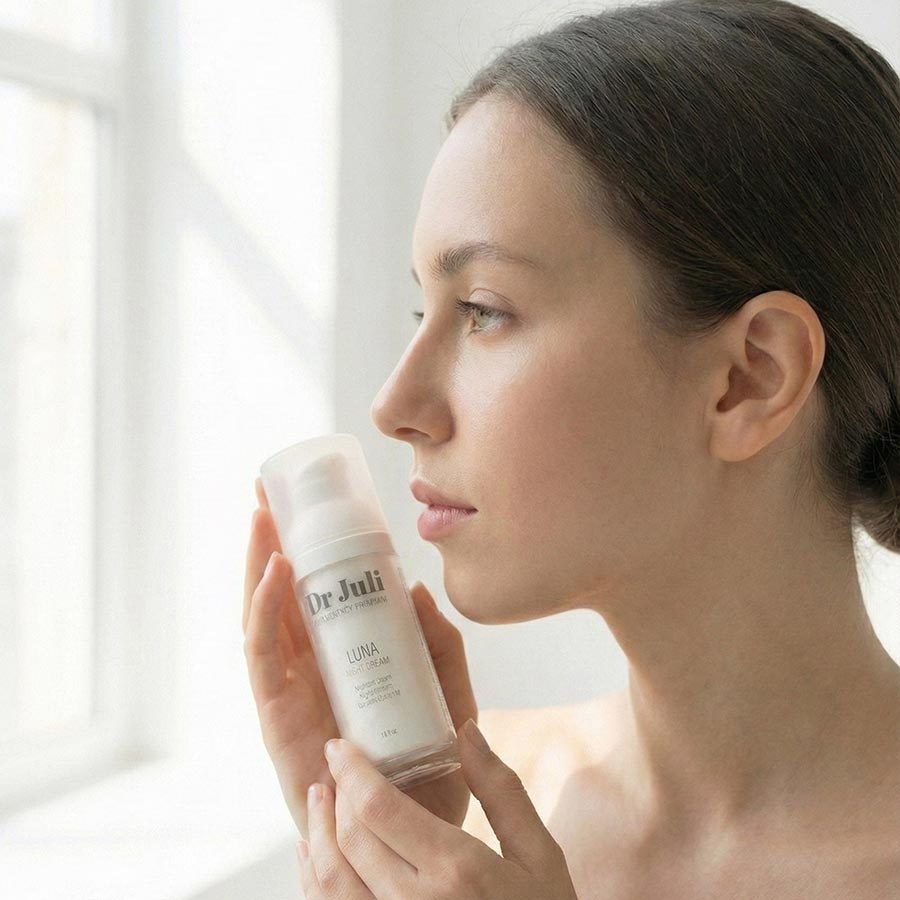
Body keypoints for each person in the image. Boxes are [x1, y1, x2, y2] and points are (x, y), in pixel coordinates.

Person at [243, 0, 900, 895]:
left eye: (483, 311)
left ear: (749, 377)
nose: (395, 407)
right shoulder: (474, 820)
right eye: (422, 308)